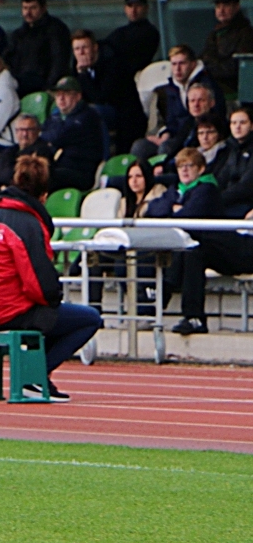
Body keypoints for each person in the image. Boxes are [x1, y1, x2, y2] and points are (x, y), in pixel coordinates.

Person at [0, 154, 101, 400]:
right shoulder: (27, 224)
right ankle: (36, 376)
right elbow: (38, 282)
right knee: (89, 319)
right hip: (11, 311)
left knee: (49, 314)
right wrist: (54, 300)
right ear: (44, 196)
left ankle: (36, 377)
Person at [151, 148, 238, 335]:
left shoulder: (207, 189)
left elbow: (189, 216)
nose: (184, 170)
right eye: (180, 166)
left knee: (192, 247)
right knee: (191, 251)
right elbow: (153, 210)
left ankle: (164, 290)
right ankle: (192, 316)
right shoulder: (176, 190)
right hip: (202, 250)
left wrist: (174, 211)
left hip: (228, 249)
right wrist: (172, 208)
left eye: (189, 165)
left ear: (201, 169)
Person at [72, 28, 146, 153]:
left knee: (95, 112)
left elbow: (100, 97)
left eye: (85, 47)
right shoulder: (76, 67)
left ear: (95, 48)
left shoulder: (112, 64)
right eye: (77, 49)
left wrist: (83, 74)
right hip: (97, 111)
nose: (81, 53)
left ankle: (103, 158)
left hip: (123, 115)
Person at [38, 77, 106, 191]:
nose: (61, 98)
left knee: (45, 177)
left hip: (81, 171)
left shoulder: (87, 116)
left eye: (66, 94)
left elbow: (57, 136)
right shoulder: (55, 116)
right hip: (60, 166)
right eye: (58, 94)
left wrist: (45, 136)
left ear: (78, 97)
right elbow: (44, 137)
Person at [6, 0, 72, 94]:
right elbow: (8, 58)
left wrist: (49, 87)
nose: (28, 13)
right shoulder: (18, 34)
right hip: (20, 85)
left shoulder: (56, 29)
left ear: (44, 8)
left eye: (33, 8)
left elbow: (59, 61)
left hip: (42, 86)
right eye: (25, 8)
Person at [201, 0, 253, 98]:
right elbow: (205, 57)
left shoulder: (246, 34)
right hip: (215, 86)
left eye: (226, 5)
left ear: (236, 7)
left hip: (235, 91)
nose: (221, 10)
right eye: (218, 6)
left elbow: (238, 67)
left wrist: (210, 67)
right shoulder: (215, 33)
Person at [101, 0, 161, 81]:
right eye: (130, 5)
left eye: (138, 6)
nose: (133, 10)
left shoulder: (150, 32)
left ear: (146, 8)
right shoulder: (120, 32)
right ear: (125, 8)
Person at [214, 107, 253, 217]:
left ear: (252, 126)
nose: (237, 127)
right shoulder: (230, 148)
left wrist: (218, 198)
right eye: (234, 123)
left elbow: (246, 186)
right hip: (227, 201)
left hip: (245, 204)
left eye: (243, 122)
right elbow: (220, 178)